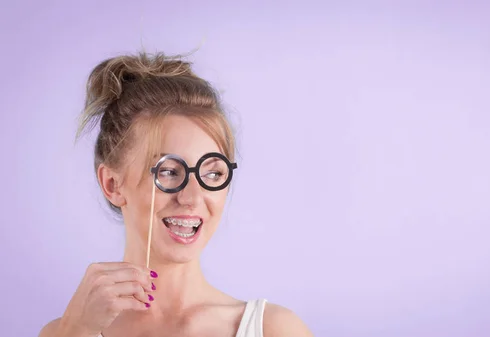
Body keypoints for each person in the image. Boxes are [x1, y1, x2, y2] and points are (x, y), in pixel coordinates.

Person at [39, 52, 313, 337]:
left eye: (213, 173)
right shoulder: (68, 331)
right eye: (169, 172)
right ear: (112, 185)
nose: (193, 198)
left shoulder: (274, 329)